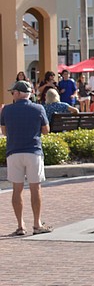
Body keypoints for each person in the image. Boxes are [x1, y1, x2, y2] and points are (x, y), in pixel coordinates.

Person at [1, 80, 51, 236]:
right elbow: (46, 130)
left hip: (14, 152)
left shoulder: (7, 110)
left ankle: (20, 225)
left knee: (17, 189)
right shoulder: (38, 108)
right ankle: (37, 224)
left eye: (12, 92)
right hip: (33, 151)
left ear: (17, 93)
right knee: (35, 188)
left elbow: (4, 131)